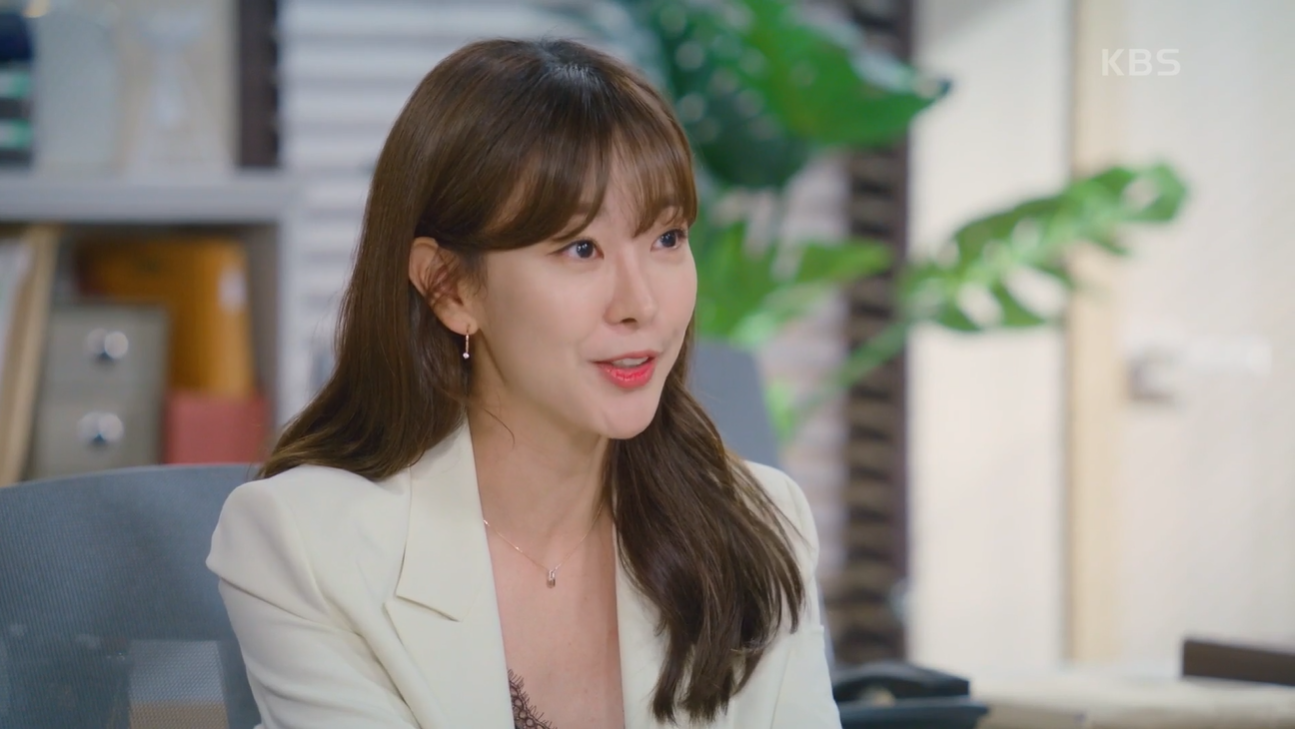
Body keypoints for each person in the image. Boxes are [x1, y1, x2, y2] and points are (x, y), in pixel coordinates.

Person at [207, 37, 840, 729]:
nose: (642, 304)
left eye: (666, 238)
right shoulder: (307, 545)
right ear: (448, 287)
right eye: (581, 249)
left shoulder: (756, 522)